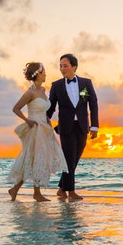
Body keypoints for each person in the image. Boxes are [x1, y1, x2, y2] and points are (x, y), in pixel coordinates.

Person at [8, 62, 68, 201]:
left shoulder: (43, 90)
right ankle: (34, 193)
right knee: (34, 159)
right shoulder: (30, 92)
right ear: (38, 74)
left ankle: (18, 190)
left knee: (40, 160)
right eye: (44, 72)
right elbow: (16, 108)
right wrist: (27, 120)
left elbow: (42, 109)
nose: (46, 74)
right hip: (34, 129)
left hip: (45, 128)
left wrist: (47, 118)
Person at [47, 53, 99, 201]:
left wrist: (95, 126)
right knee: (69, 159)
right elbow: (51, 107)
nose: (62, 69)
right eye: (60, 66)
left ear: (74, 67)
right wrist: (43, 120)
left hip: (83, 126)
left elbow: (93, 104)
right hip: (66, 127)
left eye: (65, 66)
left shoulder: (86, 83)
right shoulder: (56, 85)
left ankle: (62, 189)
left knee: (75, 159)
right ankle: (71, 192)